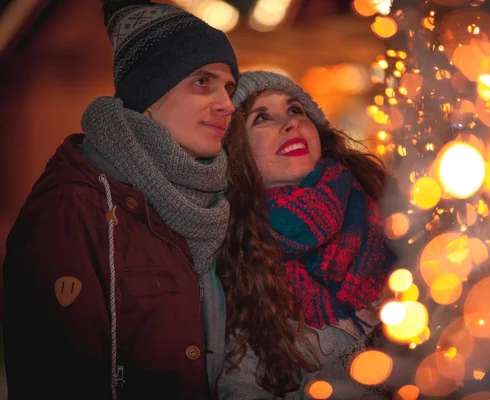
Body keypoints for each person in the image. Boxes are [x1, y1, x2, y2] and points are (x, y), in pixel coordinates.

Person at [2, 1, 238, 399]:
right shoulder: (75, 207)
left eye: (229, 88)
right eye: (202, 82)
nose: (227, 104)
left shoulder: (213, 205)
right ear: (148, 96)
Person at [216, 71, 399, 399]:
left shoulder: (389, 205)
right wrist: (363, 364)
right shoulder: (238, 268)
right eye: (262, 117)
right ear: (237, 152)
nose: (290, 123)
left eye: (295, 110)